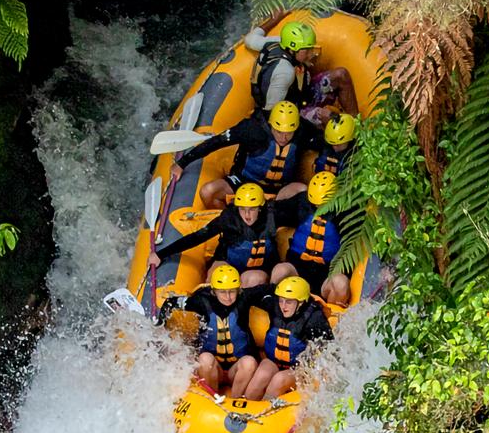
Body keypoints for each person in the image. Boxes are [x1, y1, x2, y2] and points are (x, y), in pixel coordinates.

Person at [157, 263, 268, 397]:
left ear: (238, 290)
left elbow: (269, 289)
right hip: (213, 369)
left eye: (232, 291)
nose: (228, 297)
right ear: (213, 291)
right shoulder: (201, 301)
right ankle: (212, 397)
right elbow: (170, 303)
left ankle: (234, 401)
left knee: (249, 362)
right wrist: (159, 324)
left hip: (238, 370)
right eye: (222, 292)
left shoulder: (244, 297)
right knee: (205, 359)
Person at [175, 100, 304, 212]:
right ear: (271, 125)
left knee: (303, 190)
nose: (283, 138)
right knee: (208, 192)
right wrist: (182, 163)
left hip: (279, 190)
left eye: (288, 133)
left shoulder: (303, 130)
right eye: (279, 132)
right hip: (244, 182)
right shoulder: (251, 129)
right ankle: (231, 222)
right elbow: (217, 142)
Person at [148, 182, 277, 287]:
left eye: (252, 209)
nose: (247, 215)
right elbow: (198, 237)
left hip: (257, 270)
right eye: (243, 209)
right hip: (228, 263)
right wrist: (161, 254)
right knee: (217, 276)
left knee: (254, 279)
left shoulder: (273, 216)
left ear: (260, 208)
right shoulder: (228, 219)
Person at [248, 275, 335, 400]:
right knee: (262, 374)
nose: (283, 306)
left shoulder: (314, 318)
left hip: (298, 369)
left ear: (301, 302)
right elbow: (250, 296)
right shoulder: (274, 305)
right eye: (281, 300)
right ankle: (246, 409)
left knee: (279, 380)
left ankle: (265, 413)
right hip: (273, 360)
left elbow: (329, 347)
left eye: (289, 302)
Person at [276, 192, 351, 308]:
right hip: (297, 268)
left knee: (340, 283)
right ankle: (278, 310)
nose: (318, 208)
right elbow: (276, 213)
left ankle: (330, 317)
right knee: (280, 270)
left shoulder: (346, 211)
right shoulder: (301, 204)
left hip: (327, 272)